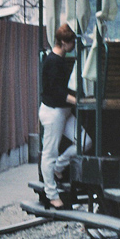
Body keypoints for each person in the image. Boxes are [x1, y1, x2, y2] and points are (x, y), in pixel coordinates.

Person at [39, 23, 89, 209]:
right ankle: (51, 194)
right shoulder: (53, 61)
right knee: (49, 153)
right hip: (54, 113)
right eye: (71, 42)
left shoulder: (57, 60)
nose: (74, 45)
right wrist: (77, 101)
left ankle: (59, 169)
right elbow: (56, 91)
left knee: (84, 142)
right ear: (63, 43)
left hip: (63, 112)